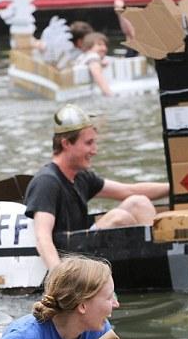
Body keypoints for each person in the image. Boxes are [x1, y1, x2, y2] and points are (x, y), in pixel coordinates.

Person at [24, 103, 171, 269]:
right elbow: (42, 239)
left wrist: (176, 187)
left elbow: (129, 190)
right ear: (66, 144)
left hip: (85, 248)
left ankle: (159, 264)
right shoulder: (47, 182)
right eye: (89, 143)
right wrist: (62, 281)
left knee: (139, 202)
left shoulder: (81, 176)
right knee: (118, 218)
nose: (95, 150)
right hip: (71, 262)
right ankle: (145, 265)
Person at [75, 32, 114, 96]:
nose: (104, 48)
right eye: (99, 45)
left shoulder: (82, 57)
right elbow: (96, 72)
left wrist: (100, 64)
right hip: (85, 94)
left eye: (105, 45)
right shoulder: (93, 56)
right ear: (88, 47)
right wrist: (108, 92)